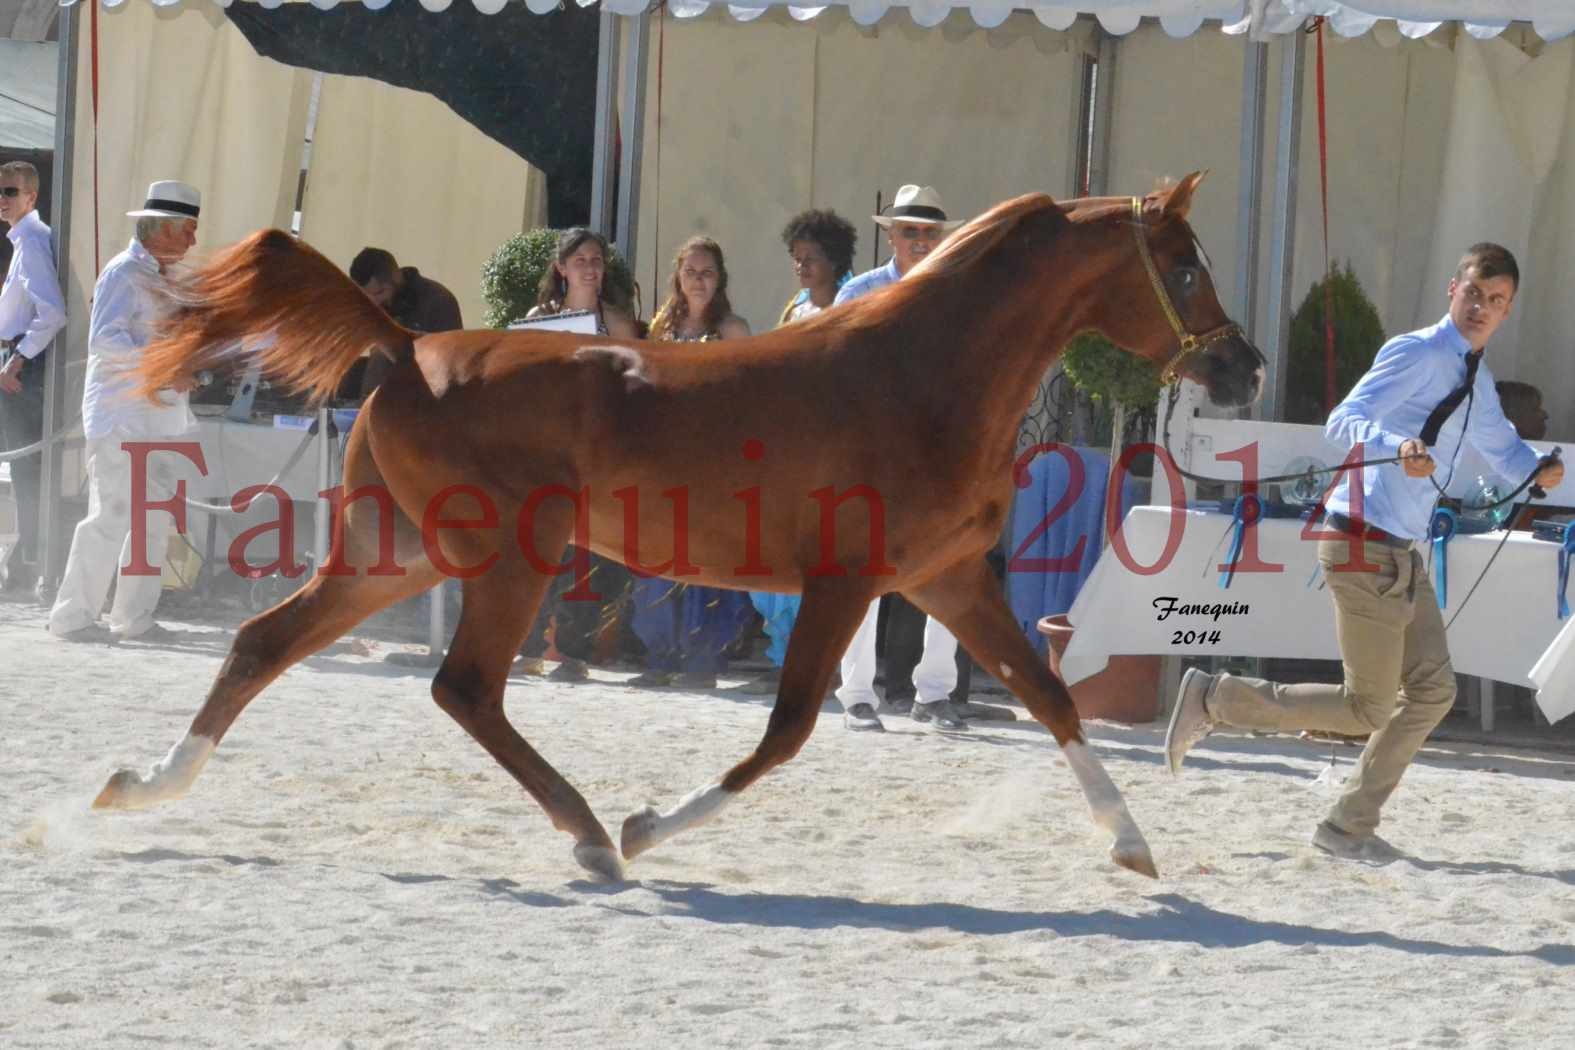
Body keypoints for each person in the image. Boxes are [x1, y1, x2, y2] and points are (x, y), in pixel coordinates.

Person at [1166, 242, 1564, 859]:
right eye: (1476, 293)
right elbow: (1344, 420)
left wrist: (1540, 468)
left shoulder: (1477, 381)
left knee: (1432, 692)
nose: (1484, 308)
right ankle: (1214, 698)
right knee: (1366, 707)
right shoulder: (1416, 352)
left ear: (1508, 312)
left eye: (1499, 301)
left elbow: (1506, 450)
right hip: (1360, 539)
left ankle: (1348, 825)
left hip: (1400, 550)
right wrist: (1399, 443)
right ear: (1452, 290)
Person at [830, 185, 974, 734]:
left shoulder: (960, 298)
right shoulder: (859, 292)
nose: (919, 238)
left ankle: (933, 693)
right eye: (910, 230)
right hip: (870, 448)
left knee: (949, 566)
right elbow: (837, 367)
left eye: (929, 231)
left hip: (937, 451)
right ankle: (857, 693)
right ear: (890, 234)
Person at [48, 180, 203, 642]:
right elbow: (105, 341)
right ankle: (72, 616)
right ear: (162, 229)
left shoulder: (167, 278)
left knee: (153, 517)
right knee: (112, 515)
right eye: (188, 229)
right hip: (121, 415)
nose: (194, 240)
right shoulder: (122, 273)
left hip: (156, 416)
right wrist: (165, 366)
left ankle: (133, 618)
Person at [740, 210, 861, 694]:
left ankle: (829, 667)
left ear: (834, 260)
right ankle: (786, 659)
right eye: (796, 258)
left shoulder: (854, 301)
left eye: (810, 258)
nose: (802, 266)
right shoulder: (796, 307)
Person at [628, 236, 754, 688]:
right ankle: (660, 654)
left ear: (719, 279)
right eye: (690, 272)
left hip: (713, 459)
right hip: (661, 457)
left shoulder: (733, 329)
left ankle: (705, 657)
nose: (698, 281)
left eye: (707, 273)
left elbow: (747, 397)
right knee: (658, 556)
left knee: (707, 557)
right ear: (677, 277)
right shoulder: (660, 329)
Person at [517, 229, 636, 681]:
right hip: (546, 444)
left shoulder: (620, 323)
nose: (590, 267)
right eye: (580, 259)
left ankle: (576, 651)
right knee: (536, 546)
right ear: (561, 268)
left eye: (596, 259)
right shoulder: (538, 318)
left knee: (591, 550)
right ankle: (527, 645)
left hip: (599, 445)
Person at [0, 160, 66, 598]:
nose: (2, 198)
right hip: (19, 357)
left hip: (24, 364)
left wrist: (18, 359)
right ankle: (27, 562)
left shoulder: (33, 240)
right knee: (24, 466)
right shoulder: (25, 238)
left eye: (9, 191)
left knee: (28, 468)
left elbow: (53, 312)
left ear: (31, 197)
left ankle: (29, 566)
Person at [348, 247, 463, 397]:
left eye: (379, 292)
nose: (374, 302)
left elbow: (450, 362)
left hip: (427, 394)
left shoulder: (438, 301)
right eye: (366, 296)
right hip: (379, 398)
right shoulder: (377, 304)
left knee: (381, 354)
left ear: (396, 277)